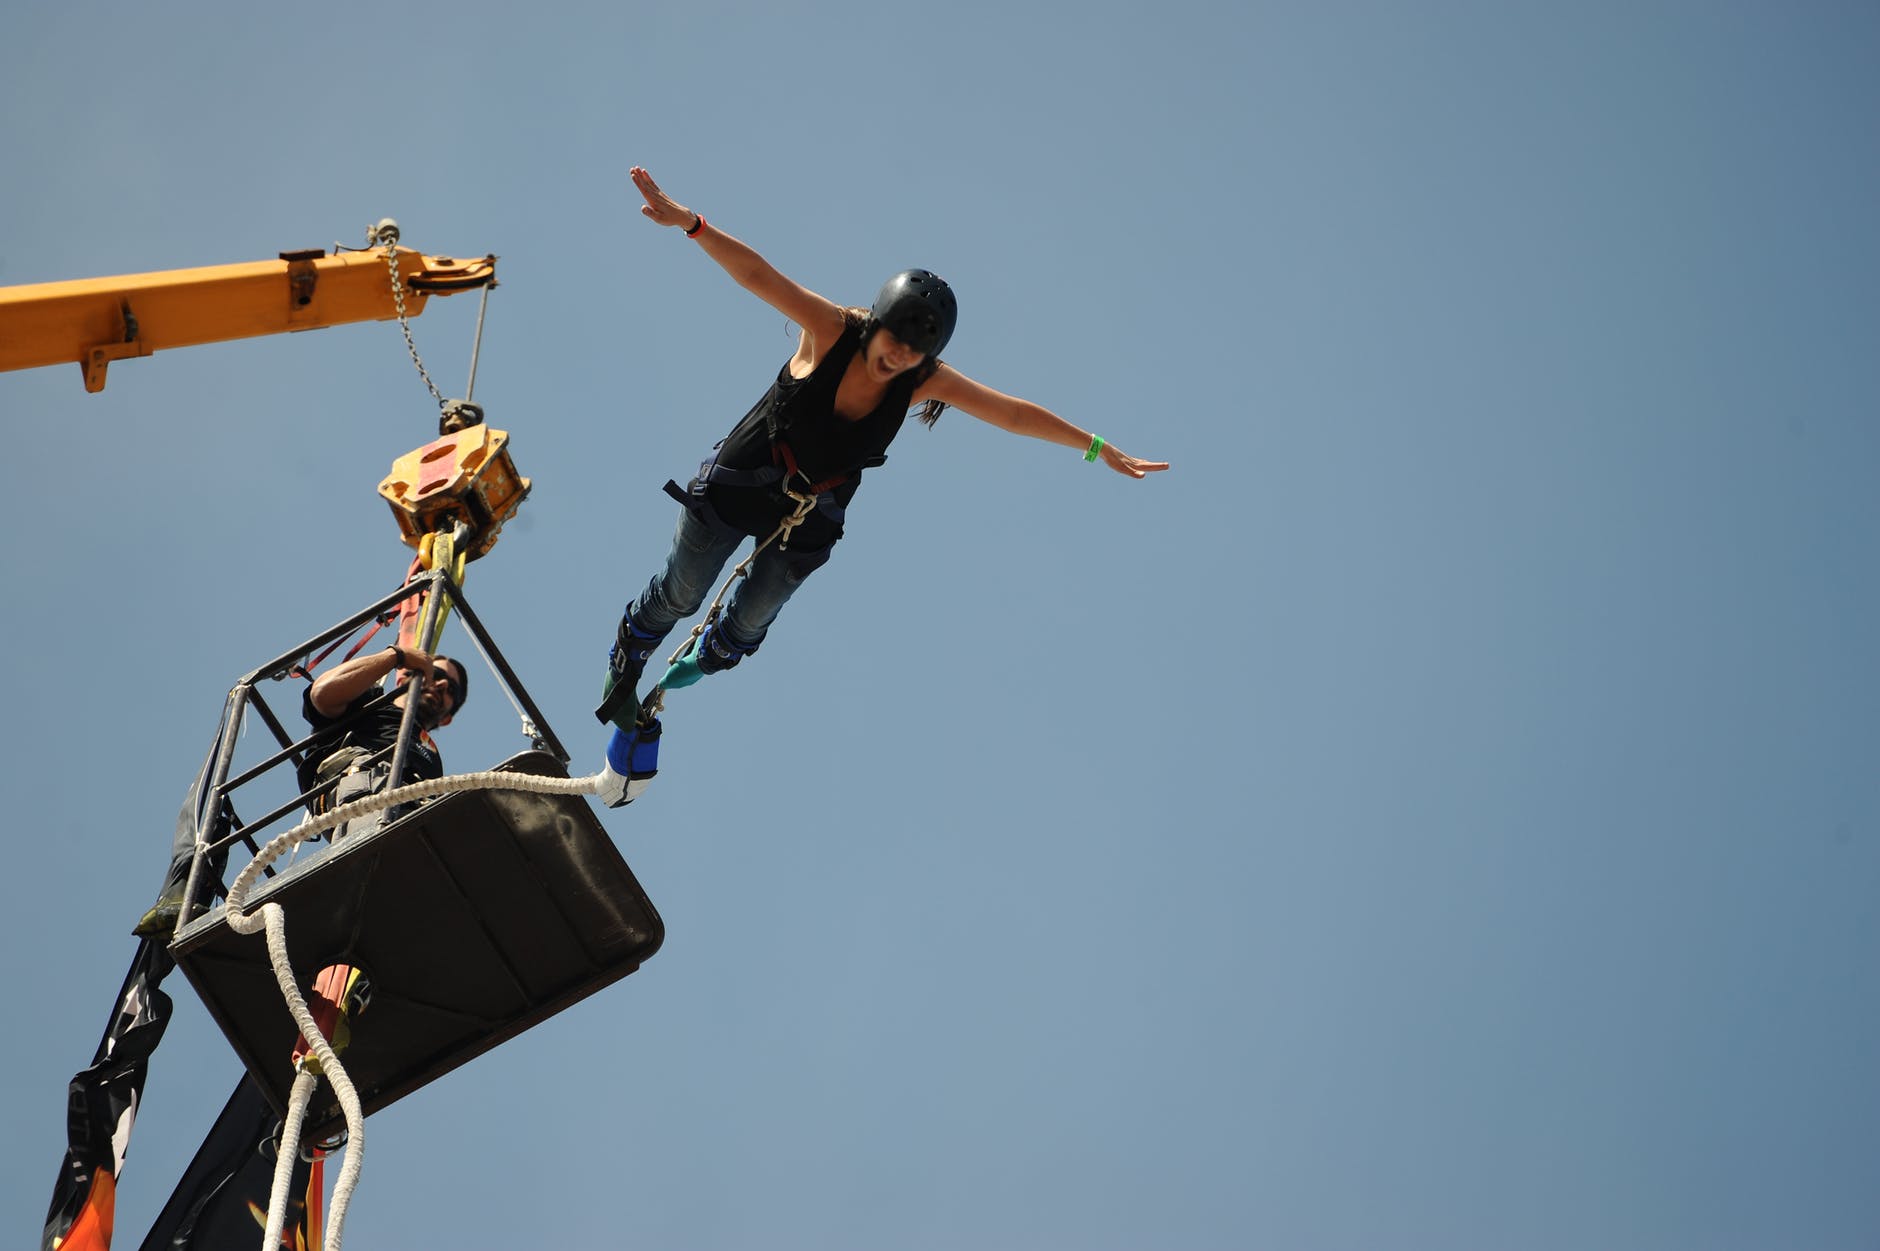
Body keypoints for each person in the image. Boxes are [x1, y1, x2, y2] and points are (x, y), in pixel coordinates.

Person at [596, 165, 1169, 729]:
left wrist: (1094, 445)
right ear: (877, 325)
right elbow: (756, 275)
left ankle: (701, 662)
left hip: (811, 515)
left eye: (912, 354)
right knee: (682, 593)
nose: (897, 358)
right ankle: (630, 652)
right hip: (741, 482)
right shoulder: (831, 329)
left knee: (744, 630)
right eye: (894, 341)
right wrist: (691, 223)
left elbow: (1012, 413)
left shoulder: (925, 380)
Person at [132, 645, 469, 938]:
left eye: (450, 687)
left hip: (410, 813)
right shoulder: (371, 704)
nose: (439, 684)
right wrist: (396, 656)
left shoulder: (432, 755)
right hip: (362, 792)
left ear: (451, 717)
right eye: (433, 673)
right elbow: (323, 693)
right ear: (405, 676)